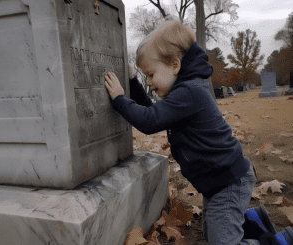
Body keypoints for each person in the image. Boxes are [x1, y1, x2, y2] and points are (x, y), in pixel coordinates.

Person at [104, 20, 290, 245]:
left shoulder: (189, 92)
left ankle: (278, 241)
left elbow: (150, 121)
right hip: (215, 182)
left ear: (174, 64)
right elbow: (153, 112)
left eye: (151, 75)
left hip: (228, 182)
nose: (150, 83)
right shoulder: (184, 91)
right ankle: (251, 220)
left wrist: (120, 99)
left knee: (222, 243)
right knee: (213, 236)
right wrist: (134, 81)